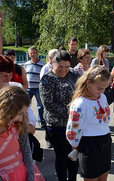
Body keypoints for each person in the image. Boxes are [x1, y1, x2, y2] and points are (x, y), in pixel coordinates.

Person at [66, 65, 111, 181]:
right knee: (91, 178)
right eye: (99, 88)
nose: (102, 91)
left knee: (103, 176)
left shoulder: (102, 97)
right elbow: (73, 129)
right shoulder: (80, 104)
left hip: (105, 140)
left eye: (105, 88)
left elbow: (106, 119)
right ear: (88, 83)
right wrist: (75, 144)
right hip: (89, 144)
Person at [39, 50, 79, 181]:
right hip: (56, 125)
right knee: (62, 156)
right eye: (60, 67)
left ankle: (72, 179)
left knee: (74, 154)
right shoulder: (47, 79)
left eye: (67, 67)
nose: (64, 70)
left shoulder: (72, 75)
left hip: (73, 124)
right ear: (52, 63)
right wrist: (71, 112)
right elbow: (48, 105)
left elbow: (79, 92)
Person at [0, 86, 34, 181]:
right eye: (19, 114)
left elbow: (26, 151)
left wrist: (30, 175)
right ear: (6, 110)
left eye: (23, 114)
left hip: (21, 173)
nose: (20, 119)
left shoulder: (17, 126)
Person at [24, 46, 45, 128]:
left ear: (37, 53)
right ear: (29, 54)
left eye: (34, 53)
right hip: (28, 88)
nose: (32, 55)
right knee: (26, 106)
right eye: (31, 53)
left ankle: (41, 121)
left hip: (38, 88)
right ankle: (27, 122)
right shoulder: (26, 64)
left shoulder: (42, 64)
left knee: (40, 106)